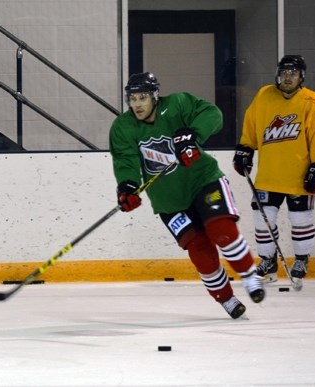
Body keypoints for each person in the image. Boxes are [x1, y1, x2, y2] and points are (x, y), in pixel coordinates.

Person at [109, 72, 264, 319]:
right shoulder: (123, 127)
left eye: (143, 97)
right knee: (200, 250)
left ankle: (249, 275)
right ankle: (226, 299)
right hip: (168, 201)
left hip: (203, 180)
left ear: (155, 96)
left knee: (221, 229)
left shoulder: (178, 104)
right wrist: (127, 187)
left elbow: (213, 114)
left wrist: (192, 134)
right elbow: (125, 160)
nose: (137, 104)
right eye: (132, 99)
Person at [233, 55, 315, 288]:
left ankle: (301, 260)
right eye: (285, 72)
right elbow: (251, 123)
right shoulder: (264, 95)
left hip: (299, 176)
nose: (288, 77)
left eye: (293, 73)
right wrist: (245, 148)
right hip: (268, 175)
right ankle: (268, 261)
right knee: (262, 218)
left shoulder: (313, 101)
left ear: (302, 76)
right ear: (278, 74)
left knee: (300, 219)